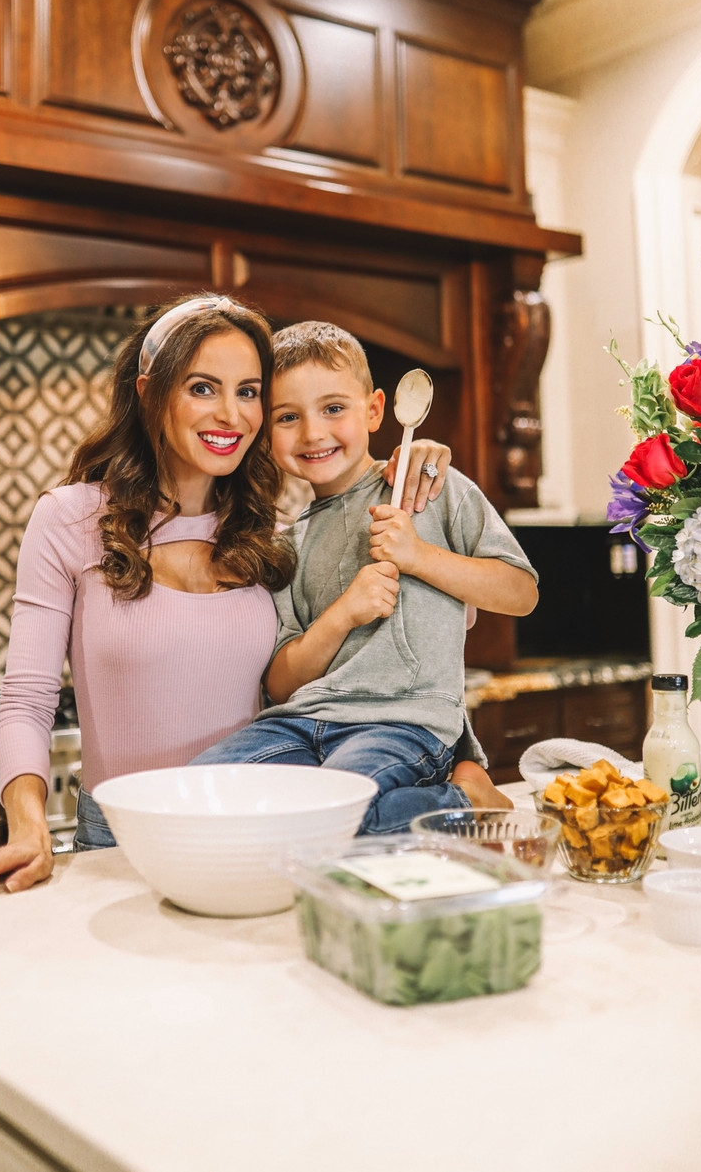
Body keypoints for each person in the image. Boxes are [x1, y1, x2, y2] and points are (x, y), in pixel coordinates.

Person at [0, 295, 453, 901]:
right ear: (150, 393)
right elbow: (26, 698)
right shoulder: (70, 518)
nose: (230, 414)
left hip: (259, 839)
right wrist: (28, 830)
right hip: (121, 844)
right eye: (203, 388)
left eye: (249, 392)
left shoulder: (274, 535)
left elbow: (370, 675)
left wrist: (414, 465)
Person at [190, 321, 538, 831]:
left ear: (375, 410)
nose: (313, 432)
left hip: (403, 721)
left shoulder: (429, 489)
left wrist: (417, 556)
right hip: (298, 723)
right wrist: (345, 612)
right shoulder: (288, 544)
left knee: (339, 819)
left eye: (334, 408)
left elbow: (521, 592)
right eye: (288, 417)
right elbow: (281, 683)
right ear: (266, 434)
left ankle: (466, 795)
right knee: (195, 798)